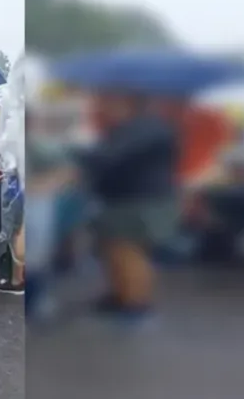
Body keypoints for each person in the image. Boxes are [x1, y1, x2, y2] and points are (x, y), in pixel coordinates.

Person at [78, 93, 178, 326]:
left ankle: (137, 305)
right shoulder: (133, 127)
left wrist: (78, 154)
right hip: (123, 200)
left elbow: (108, 157)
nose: (104, 106)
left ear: (128, 103)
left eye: (109, 101)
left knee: (129, 253)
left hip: (139, 201)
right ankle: (120, 296)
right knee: (112, 250)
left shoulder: (145, 128)